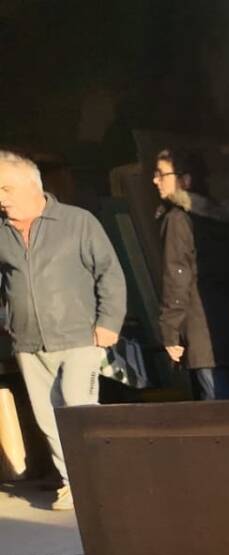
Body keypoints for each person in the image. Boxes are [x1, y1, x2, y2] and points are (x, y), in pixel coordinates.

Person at [0, 150, 125, 511]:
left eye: (6, 189)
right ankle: (73, 482)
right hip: (28, 342)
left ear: (30, 186)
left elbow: (110, 273)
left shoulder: (77, 222)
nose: (1, 198)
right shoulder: (3, 234)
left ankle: (100, 479)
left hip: (79, 337)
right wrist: (8, 319)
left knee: (79, 407)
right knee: (48, 416)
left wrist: (109, 323)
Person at [154, 149, 229, 400]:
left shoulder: (177, 219)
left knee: (218, 420)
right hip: (228, 330)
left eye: (161, 174)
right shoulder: (220, 219)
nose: (155, 180)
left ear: (185, 180)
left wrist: (170, 332)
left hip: (200, 338)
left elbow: (177, 276)